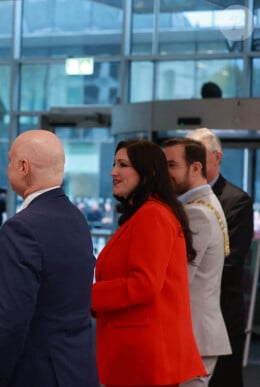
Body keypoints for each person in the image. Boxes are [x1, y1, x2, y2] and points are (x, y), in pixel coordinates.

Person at [0, 130, 99, 386]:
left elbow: (11, 321)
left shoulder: (22, 227)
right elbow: (50, 291)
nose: (7, 169)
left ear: (23, 167)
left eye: (10, 160)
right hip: (75, 370)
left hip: (36, 373)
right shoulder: (76, 218)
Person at [91, 139, 206, 387]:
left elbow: (144, 284)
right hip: (139, 355)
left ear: (148, 173)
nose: (113, 172)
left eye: (123, 165)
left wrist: (87, 295)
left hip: (144, 358)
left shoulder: (152, 215)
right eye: (114, 164)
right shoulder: (148, 214)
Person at [186, 128, 254, 387]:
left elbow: (230, 263)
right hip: (187, 318)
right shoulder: (180, 200)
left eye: (199, 155)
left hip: (221, 317)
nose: (195, 163)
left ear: (218, 157)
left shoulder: (236, 201)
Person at [162, 138, 232, 386]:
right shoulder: (203, 204)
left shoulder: (196, 212)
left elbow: (176, 278)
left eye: (172, 165)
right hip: (196, 334)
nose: (165, 173)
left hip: (194, 335)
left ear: (195, 167)